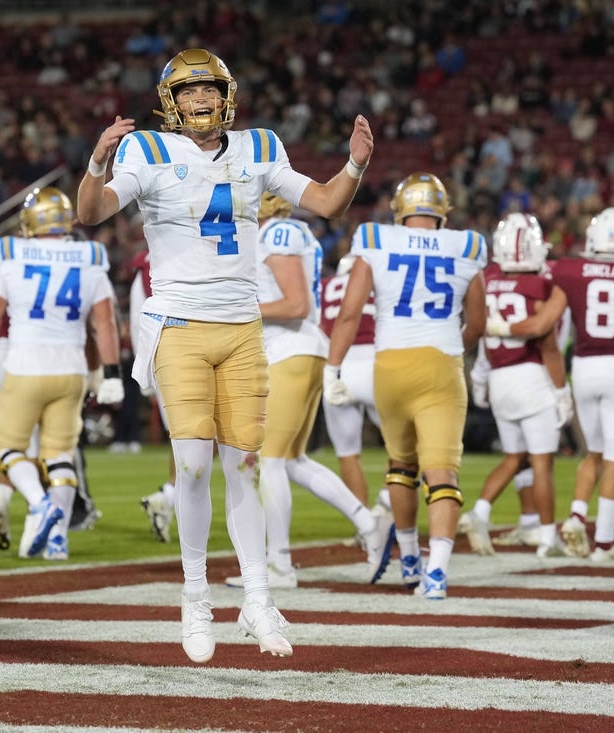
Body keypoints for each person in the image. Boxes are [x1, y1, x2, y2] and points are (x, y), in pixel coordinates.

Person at [77, 47, 374, 662]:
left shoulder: (258, 147)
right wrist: (96, 163)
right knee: (189, 464)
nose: (199, 101)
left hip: (242, 328)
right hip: (181, 323)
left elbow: (324, 202)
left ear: (226, 94)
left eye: (208, 89)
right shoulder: (146, 150)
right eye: (187, 93)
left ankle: (259, 598)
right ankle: (195, 598)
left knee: (244, 465)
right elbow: (92, 213)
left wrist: (354, 165)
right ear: (170, 102)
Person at [488, 207, 614, 562]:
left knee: (594, 454)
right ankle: (604, 544)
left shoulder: (570, 271)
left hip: (584, 368)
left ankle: (577, 516)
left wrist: (502, 329)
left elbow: (541, 323)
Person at [326, 172, 487, 600]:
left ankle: (410, 555)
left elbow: (349, 313)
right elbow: (479, 323)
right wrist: (451, 346)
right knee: (442, 472)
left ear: (400, 210)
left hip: (390, 364)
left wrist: (333, 368)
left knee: (401, 464)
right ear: (441, 211)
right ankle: (436, 573)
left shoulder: (376, 238)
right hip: (441, 363)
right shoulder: (467, 244)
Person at [225, 192, 394, 591]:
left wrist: (237, 309)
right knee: (291, 460)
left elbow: (296, 304)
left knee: (266, 460)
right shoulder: (283, 231)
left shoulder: (278, 232)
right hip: (299, 351)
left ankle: (280, 564)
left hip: (291, 350)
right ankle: (370, 525)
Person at [0, 187, 122, 561]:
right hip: (71, 369)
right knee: (60, 456)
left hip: (25, 364)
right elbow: (104, 323)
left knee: (7, 449)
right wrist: (112, 372)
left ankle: (40, 504)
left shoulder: (11, 254)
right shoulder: (89, 257)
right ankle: (58, 540)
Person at [461, 212, 571, 559]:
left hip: (499, 376)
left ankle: (479, 512)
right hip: (530, 376)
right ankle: (548, 538)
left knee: (513, 457)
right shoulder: (540, 284)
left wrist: (479, 374)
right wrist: (561, 391)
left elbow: (478, 330)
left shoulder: (487, 278)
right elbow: (549, 345)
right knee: (541, 463)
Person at [319, 253, 387, 510]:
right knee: (403, 448)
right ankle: (385, 506)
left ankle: (364, 523)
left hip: (337, 367)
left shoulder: (325, 285)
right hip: (374, 364)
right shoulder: (378, 284)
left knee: (347, 454)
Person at [128, 248, 178, 542]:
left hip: (170, 355)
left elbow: (138, 318)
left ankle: (169, 497)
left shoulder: (147, 259)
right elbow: (140, 317)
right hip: (178, 353)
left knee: (197, 439)